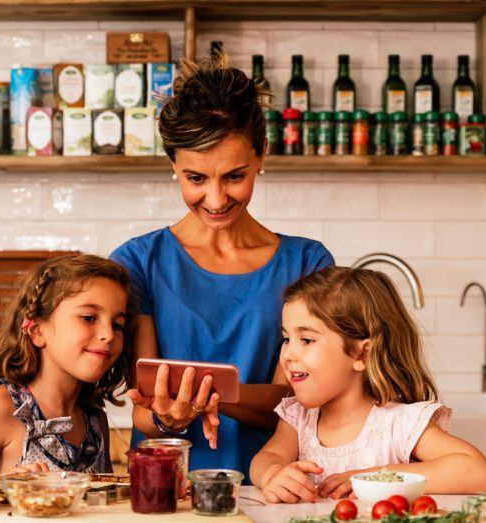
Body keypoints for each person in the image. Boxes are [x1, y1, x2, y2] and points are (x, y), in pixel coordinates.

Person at [110, 50, 334, 479]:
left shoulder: (308, 263)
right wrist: (167, 417)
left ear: (262, 155)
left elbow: (299, 402)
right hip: (166, 492)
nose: (215, 200)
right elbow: (142, 407)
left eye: (234, 176)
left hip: (273, 487)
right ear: (173, 163)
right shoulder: (137, 262)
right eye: (196, 178)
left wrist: (199, 395)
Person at [250, 266, 486, 503]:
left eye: (306, 340)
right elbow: (268, 458)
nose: (288, 355)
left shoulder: (399, 423)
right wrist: (272, 475)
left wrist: (376, 477)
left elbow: (478, 473)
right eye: (286, 338)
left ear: (362, 355)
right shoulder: (298, 418)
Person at [0, 254, 135, 474]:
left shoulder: (95, 418)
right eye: (89, 317)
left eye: (118, 325)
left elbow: (103, 504)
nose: (108, 334)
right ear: (37, 331)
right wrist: (3, 488)